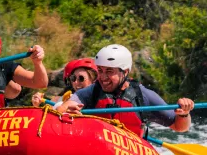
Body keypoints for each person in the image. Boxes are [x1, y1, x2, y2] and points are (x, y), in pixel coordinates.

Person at [56, 44, 194, 135]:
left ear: (125, 72)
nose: (103, 77)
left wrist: (184, 114)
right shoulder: (90, 93)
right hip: (97, 151)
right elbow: (61, 108)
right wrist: (64, 109)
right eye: (100, 70)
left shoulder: (143, 96)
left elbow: (179, 127)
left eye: (109, 71)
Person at [32, 58, 98, 108]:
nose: (75, 82)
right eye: (73, 78)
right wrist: (36, 105)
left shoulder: (101, 100)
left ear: (94, 80)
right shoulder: (58, 100)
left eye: (81, 78)